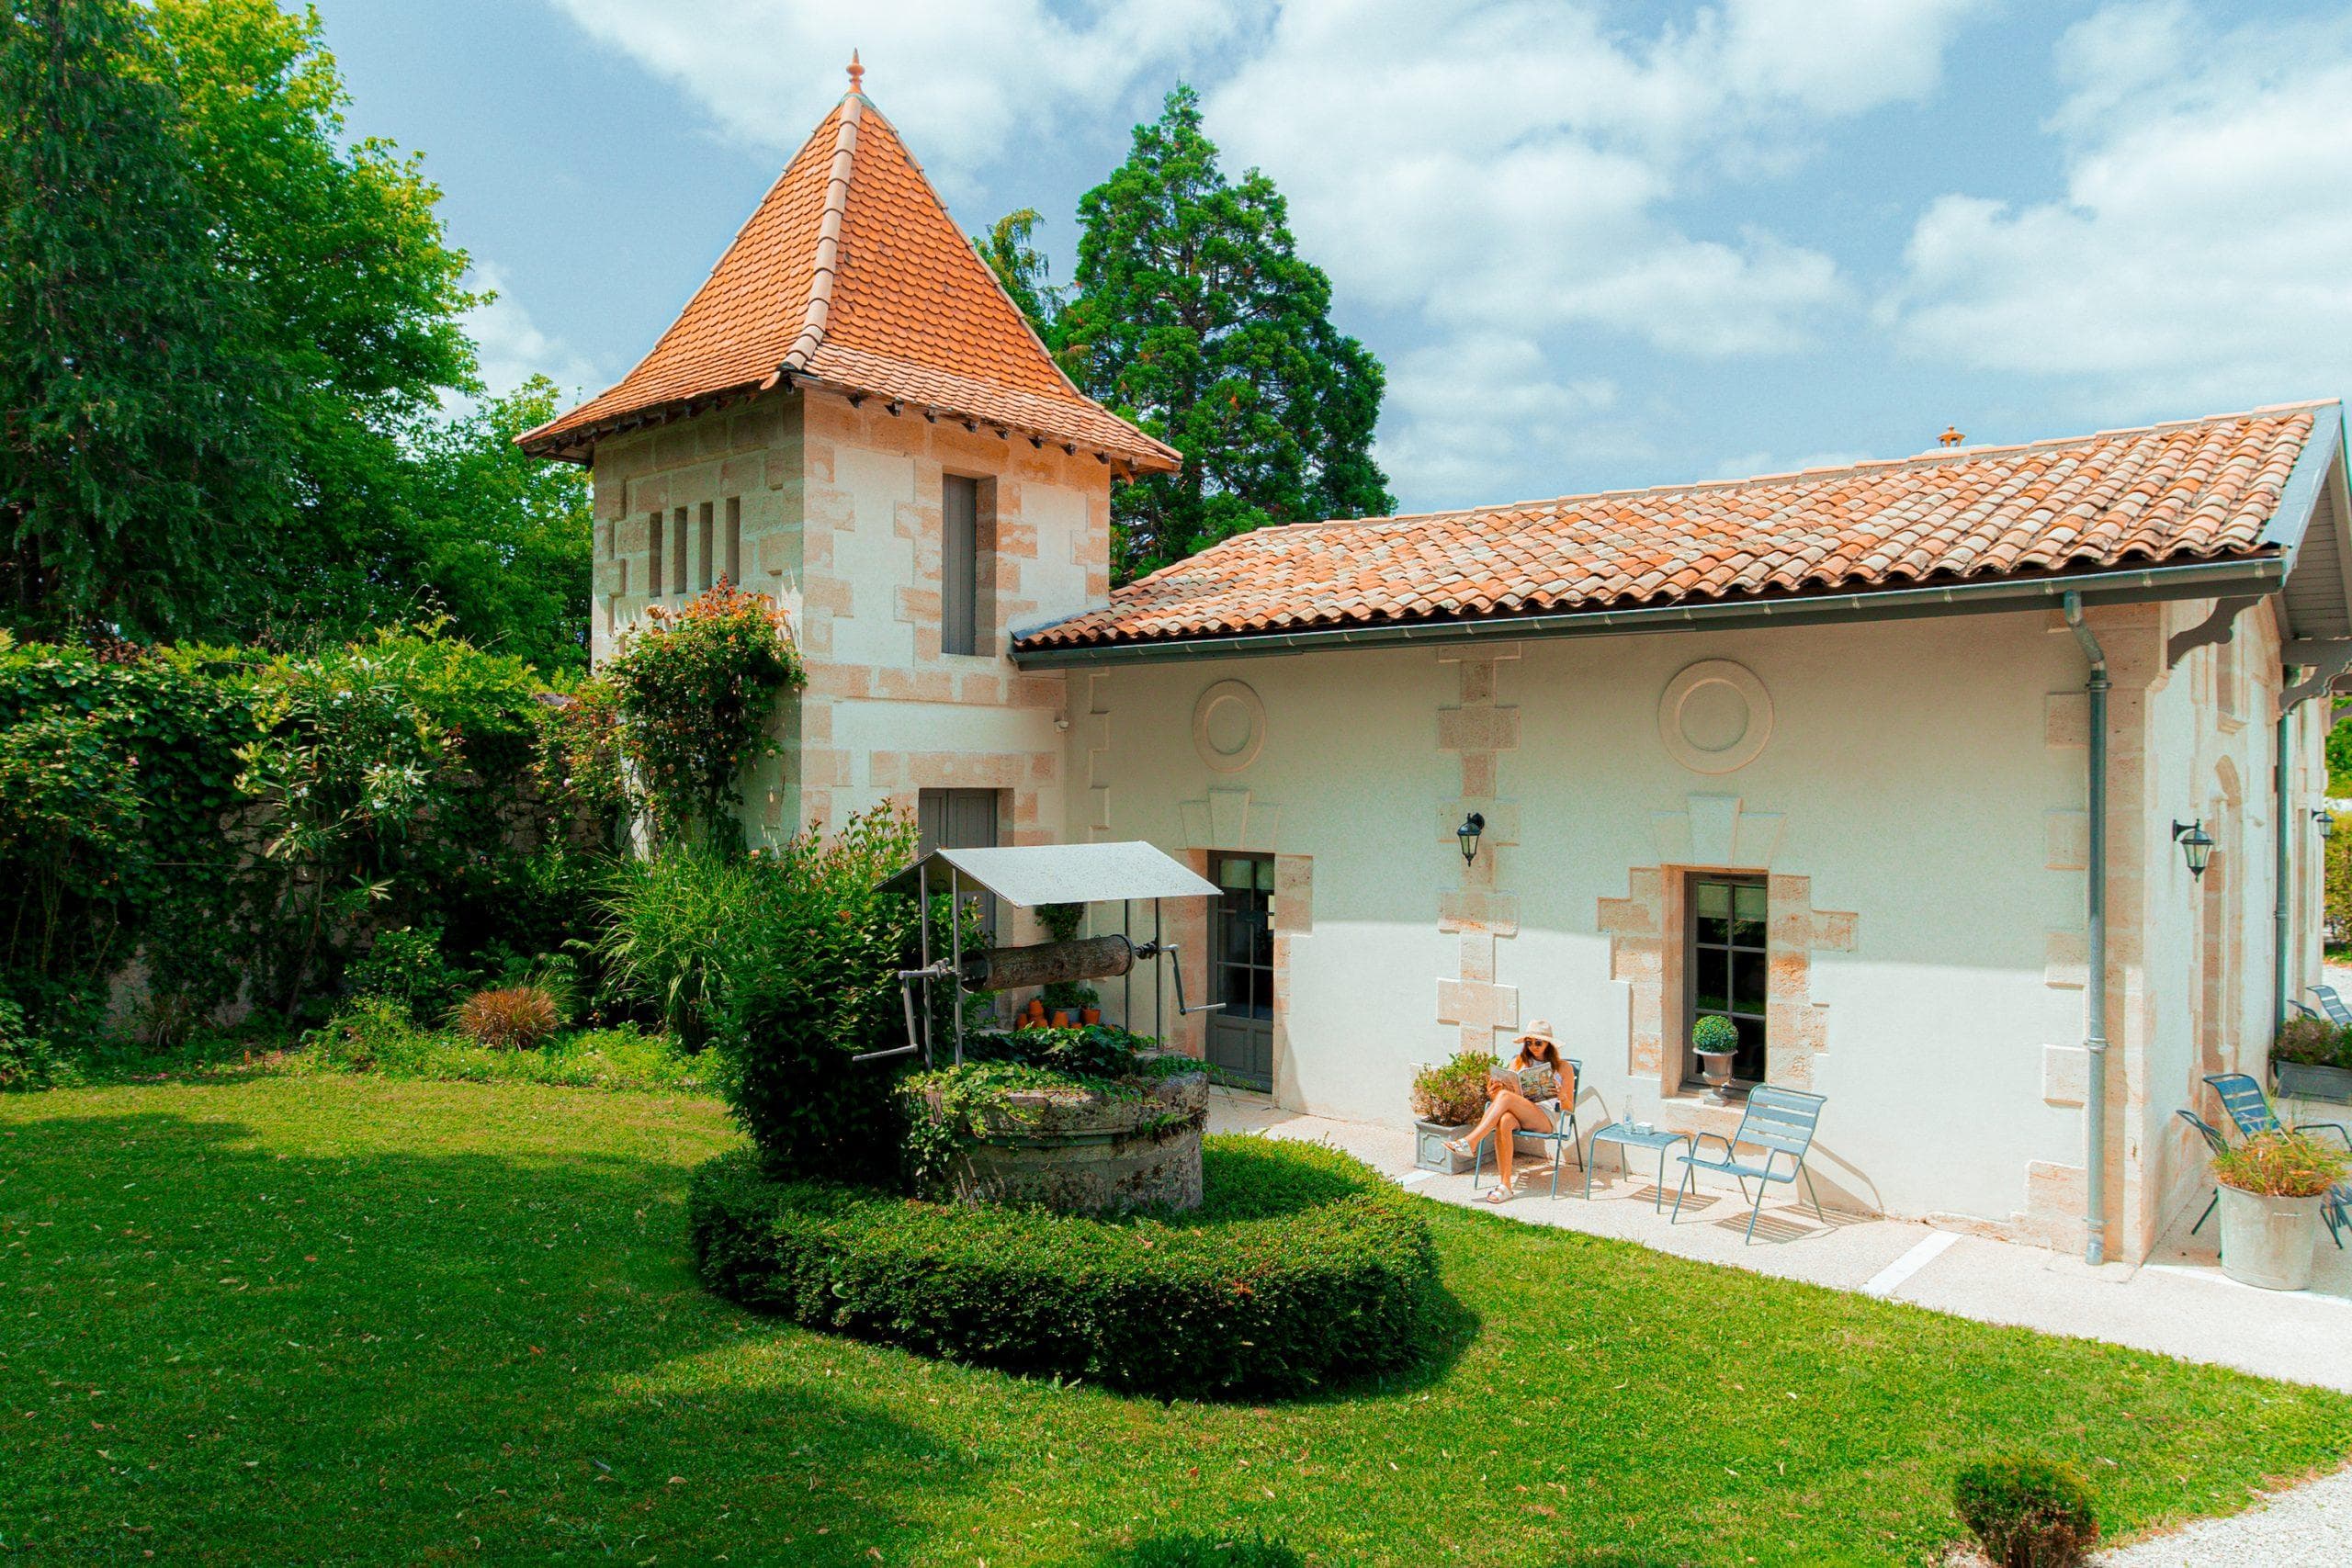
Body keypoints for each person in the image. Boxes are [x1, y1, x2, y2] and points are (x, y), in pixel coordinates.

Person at [1446, 1021, 1575, 1203]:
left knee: (1506, 1097)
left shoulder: (1563, 1067)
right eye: (1529, 1042)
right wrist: (1494, 1093)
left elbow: (1569, 1108)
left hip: (1544, 1118)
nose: (1533, 1047)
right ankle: (1505, 1185)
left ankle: (1471, 1141)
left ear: (1549, 1044)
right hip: (1519, 1111)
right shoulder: (1518, 1061)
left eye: (1538, 1043)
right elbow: (1507, 1096)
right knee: (1505, 1119)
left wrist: (1562, 1095)